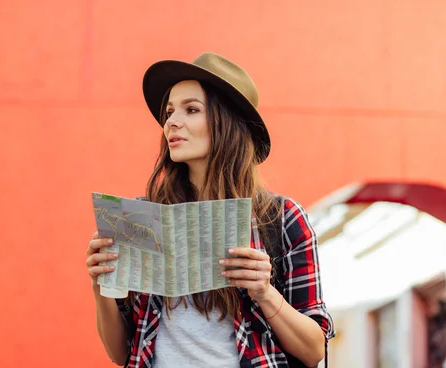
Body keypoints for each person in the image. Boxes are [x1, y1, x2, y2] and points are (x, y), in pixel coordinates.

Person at [86, 52, 335, 367]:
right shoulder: (143, 217)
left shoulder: (282, 218)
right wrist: (101, 286)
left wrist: (264, 292)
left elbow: (314, 351)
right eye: (169, 112)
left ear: (228, 122)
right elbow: (120, 353)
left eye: (191, 109)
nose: (172, 122)